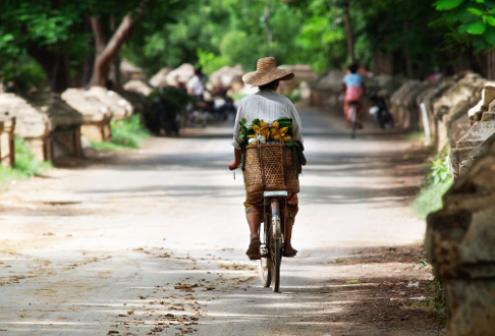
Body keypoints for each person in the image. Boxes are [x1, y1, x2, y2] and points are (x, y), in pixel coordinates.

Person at [228, 56, 304, 260]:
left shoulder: (246, 103)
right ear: (278, 82)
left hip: (255, 157)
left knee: (253, 200)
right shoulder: (286, 102)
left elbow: (238, 138)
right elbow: (296, 134)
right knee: (290, 199)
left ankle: (254, 236)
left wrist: (236, 161)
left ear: (257, 83)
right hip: (284, 157)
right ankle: (287, 244)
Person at [342, 63, 365, 128]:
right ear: (357, 70)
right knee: (360, 108)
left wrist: (344, 93)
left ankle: (347, 123)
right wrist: (363, 94)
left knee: (346, 106)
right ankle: (360, 121)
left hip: (349, 95)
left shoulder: (346, 77)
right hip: (358, 95)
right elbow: (363, 87)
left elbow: (343, 87)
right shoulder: (360, 77)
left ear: (349, 70)